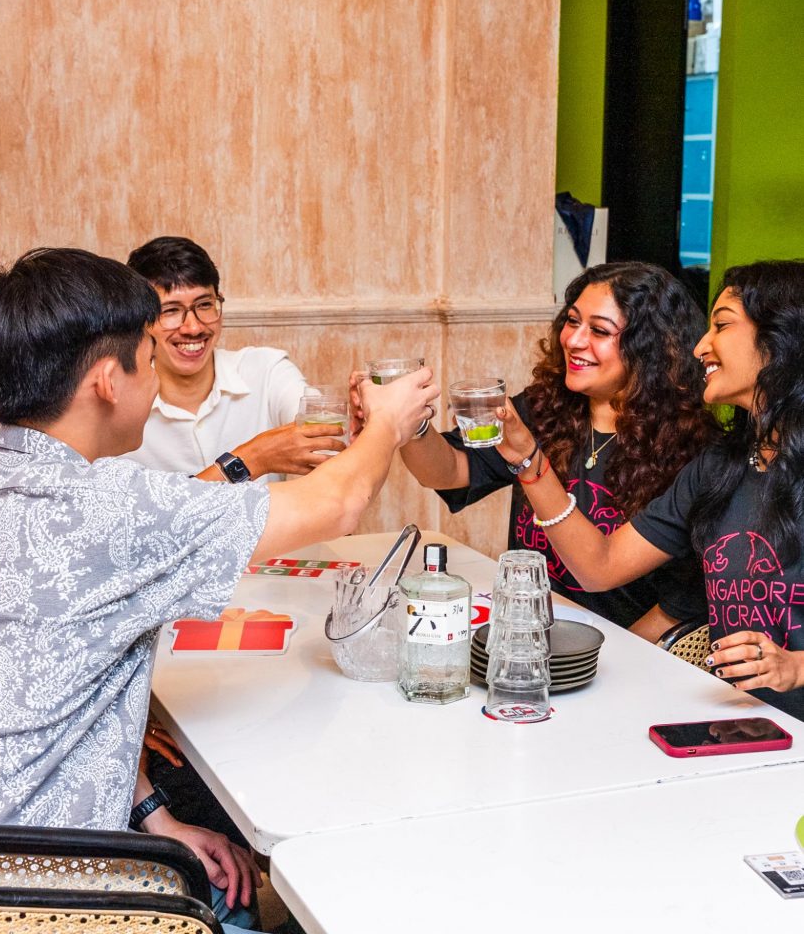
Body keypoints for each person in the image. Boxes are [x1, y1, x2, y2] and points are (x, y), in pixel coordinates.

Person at [0, 247, 438, 928]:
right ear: (107, 380)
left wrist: (154, 815)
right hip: (49, 890)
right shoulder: (109, 507)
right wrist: (389, 422)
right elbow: (337, 504)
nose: (156, 378)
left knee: (233, 883)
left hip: (15, 845)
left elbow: (61, 700)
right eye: (148, 356)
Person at [506, 259, 804, 721]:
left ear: (781, 341)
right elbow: (600, 566)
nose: (701, 347)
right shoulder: (720, 466)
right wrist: (530, 461)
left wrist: (796, 667)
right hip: (738, 724)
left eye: (723, 326)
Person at [395, 262, 718, 640]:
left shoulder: (693, 449)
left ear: (652, 347)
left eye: (599, 330)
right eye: (572, 321)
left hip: (615, 649)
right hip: (529, 635)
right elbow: (448, 471)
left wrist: (600, 657)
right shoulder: (546, 407)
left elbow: (681, 605)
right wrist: (409, 422)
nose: (574, 341)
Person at [126, 235, 344, 480]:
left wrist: (367, 423)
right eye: (171, 310)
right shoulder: (120, 407)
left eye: (204, 305)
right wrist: (254, 458)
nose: (193, 327)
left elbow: (328, 448)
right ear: (140, 320)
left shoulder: (267, 371)